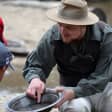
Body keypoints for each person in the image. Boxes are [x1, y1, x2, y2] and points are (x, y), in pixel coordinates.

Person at [23, 0, 112, 112]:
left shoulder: (106, 36)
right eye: (60, 24)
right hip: (70, 90)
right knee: (74, 109)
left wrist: (77, 91)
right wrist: (35, 79)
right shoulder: (54, 35)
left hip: (104, 90)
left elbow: (103, 77)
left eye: (69, 27)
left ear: (84, 25)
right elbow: (36, 64)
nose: (62, 31)